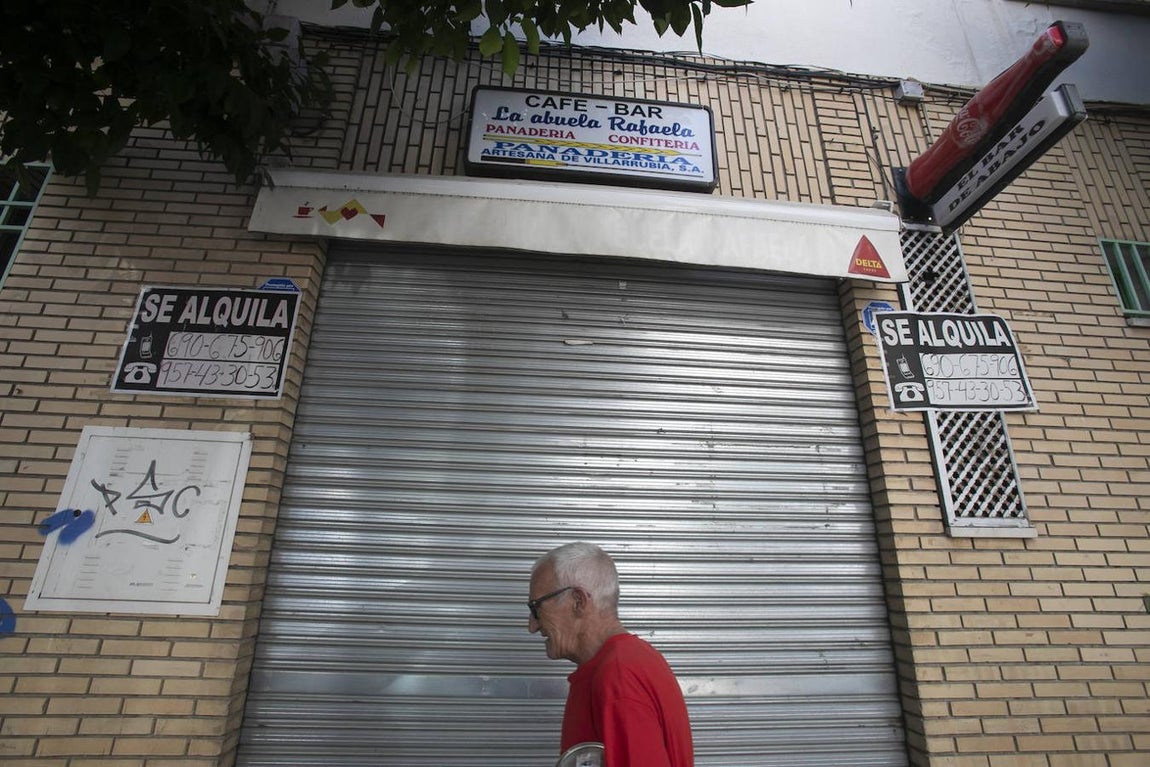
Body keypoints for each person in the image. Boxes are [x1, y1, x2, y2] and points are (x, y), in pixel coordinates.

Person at [527, 542, 694, 767]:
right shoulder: (625, 663)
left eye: (537, 608)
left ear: (578, 601)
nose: (532, 626)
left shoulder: (619, 677)